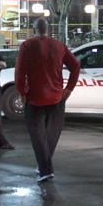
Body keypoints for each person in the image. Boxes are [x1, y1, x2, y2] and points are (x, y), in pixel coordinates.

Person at [15, 18, 81, 183]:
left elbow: (20, 71)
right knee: (51, 135)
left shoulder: (27, 46)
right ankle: (45, 166)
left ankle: (45, 170)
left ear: (34, 29)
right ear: (49, 30)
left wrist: (22, 92)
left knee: (38, 136)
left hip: (35, 98)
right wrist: (69, 89)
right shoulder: (59, 46)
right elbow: (76, 66)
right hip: (57, 98)